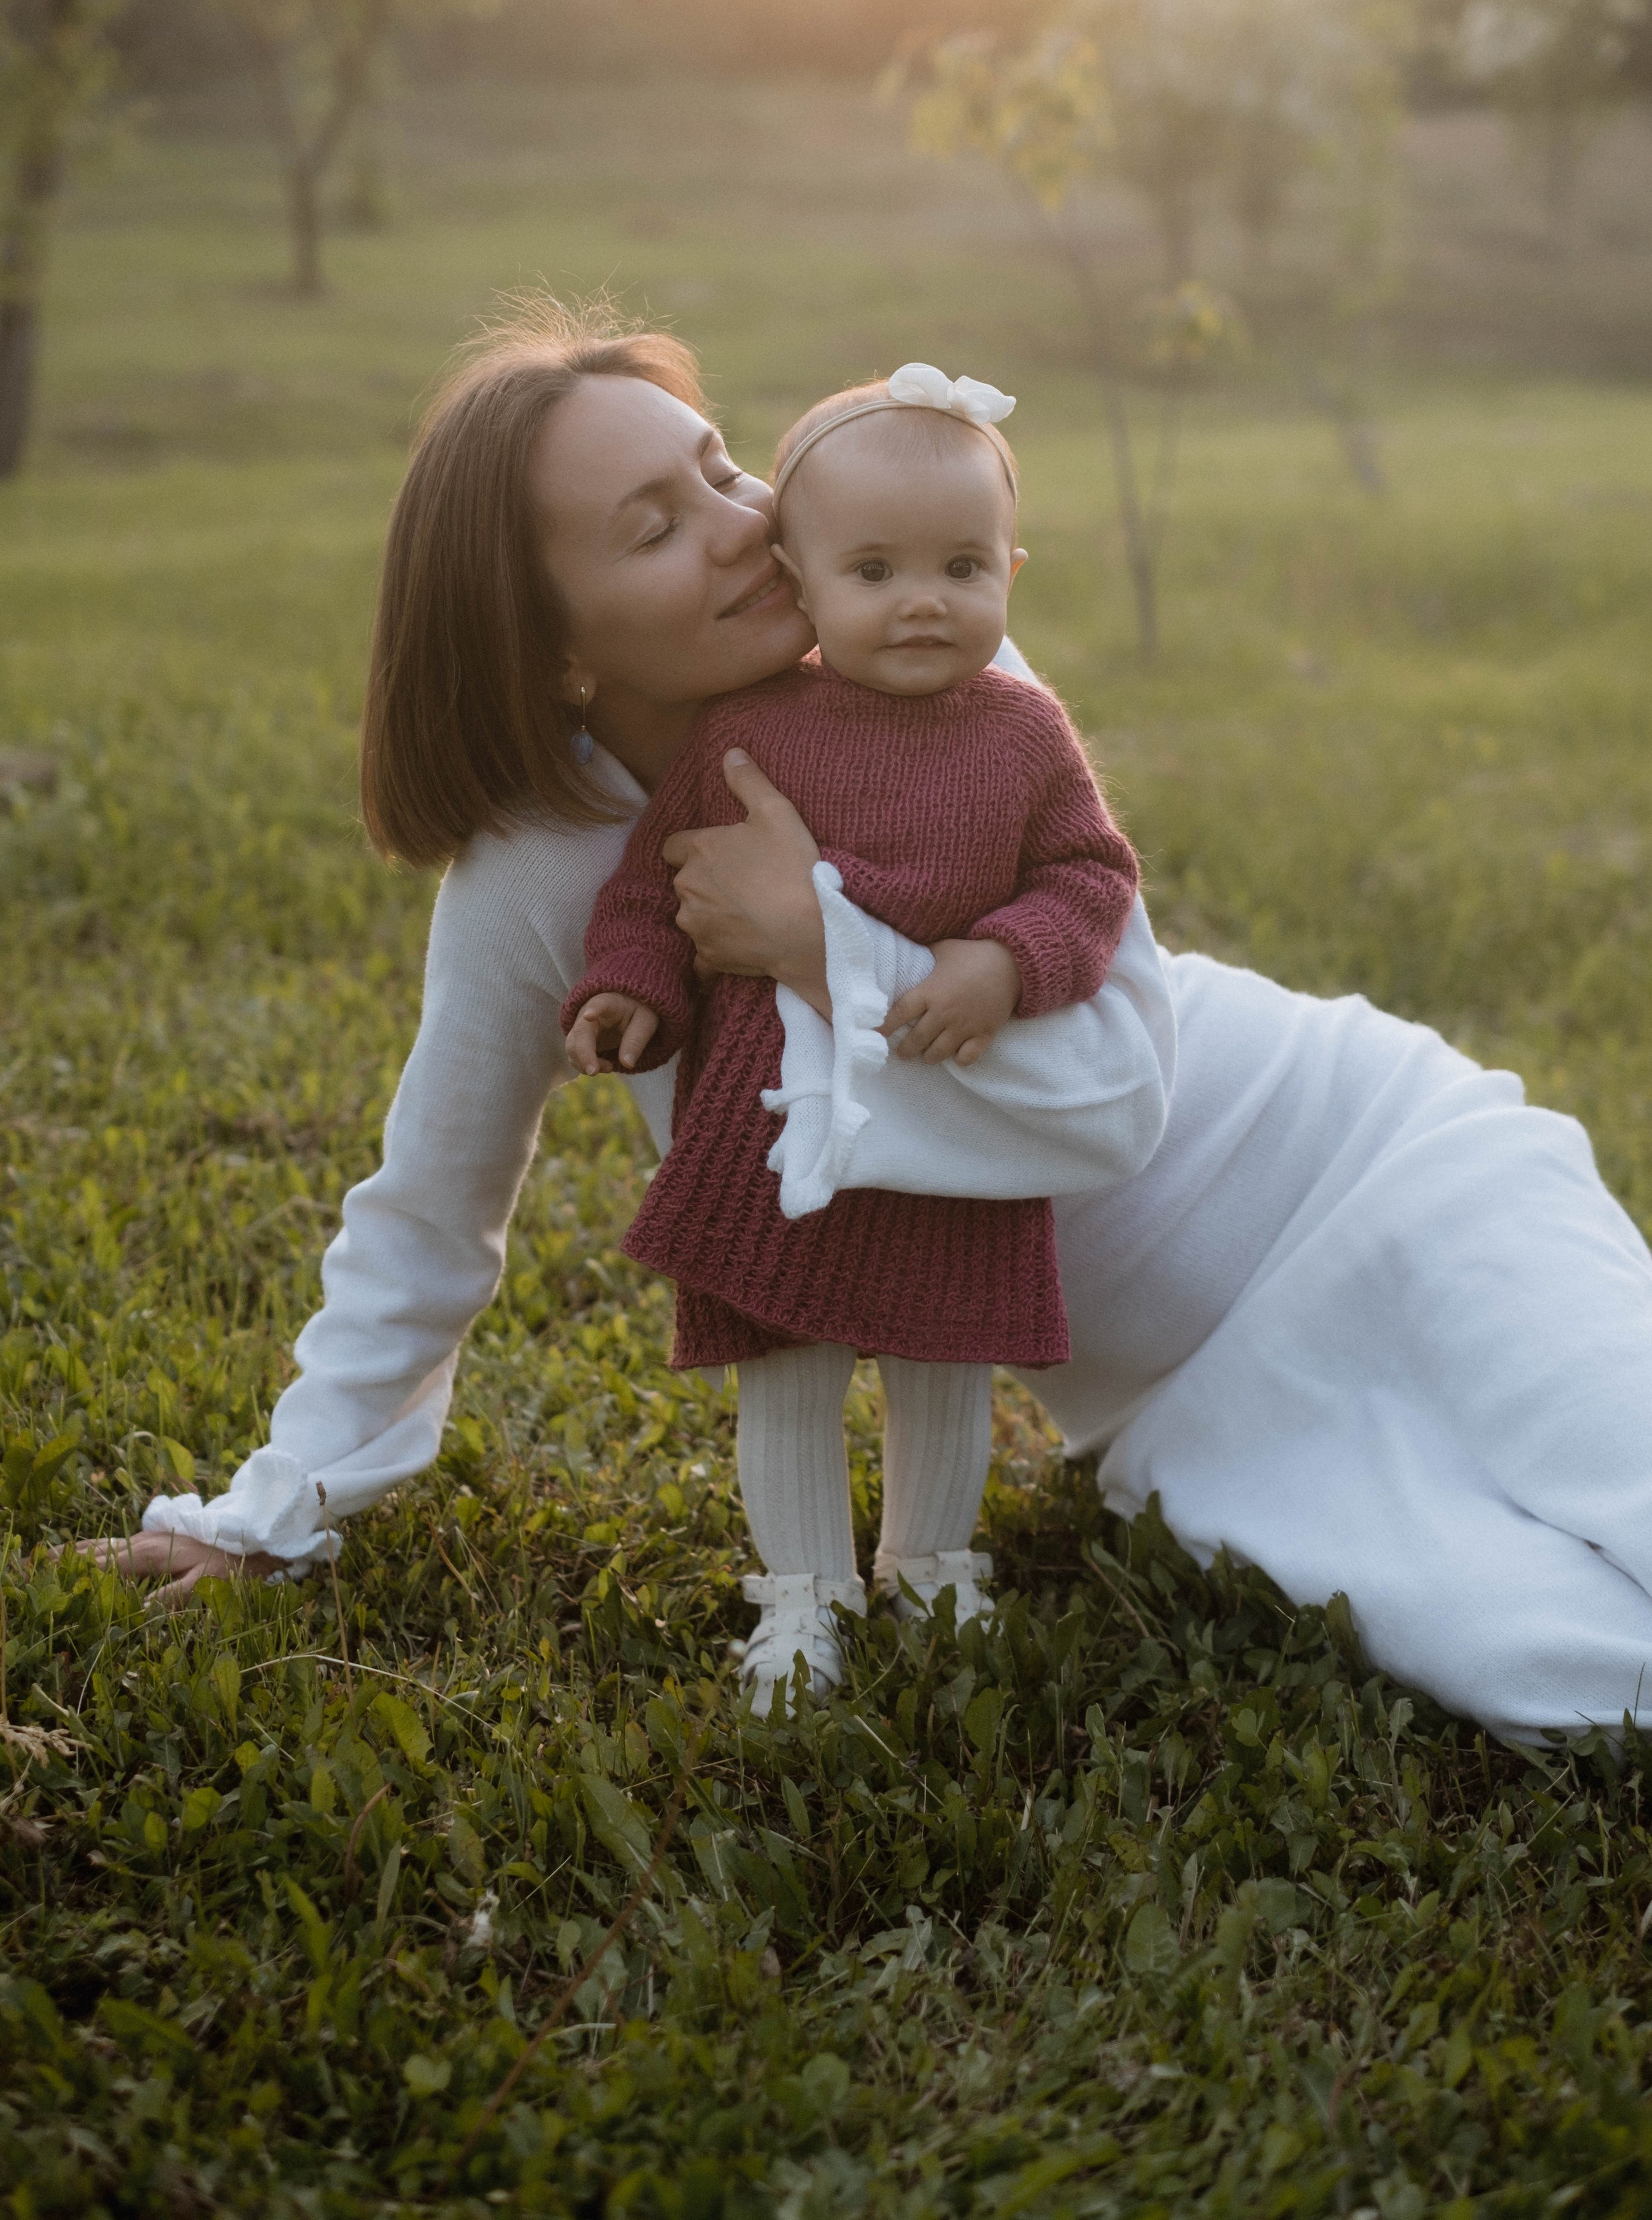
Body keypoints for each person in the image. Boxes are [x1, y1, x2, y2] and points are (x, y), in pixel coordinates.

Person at [101, 307, 1652, 1755]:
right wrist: (268, 1507)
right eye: (654, 526)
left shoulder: (940, 665)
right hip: (1174, 1401)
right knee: (1560, 1675)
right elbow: (427, 1219)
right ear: (556, 651)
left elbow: (1116, 1092)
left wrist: (807, 941)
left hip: (1374, 1167)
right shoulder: (540, 870)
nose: (739, 519)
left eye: (717, 466)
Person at [563, 363, 1138, 1709]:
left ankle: (931, 1567)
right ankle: (802, 1595)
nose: (921, 600)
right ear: (801, 586)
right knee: (785, 1362)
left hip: (949, 1104)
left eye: (959, 565)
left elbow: (1088, 881)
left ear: (1009, 568)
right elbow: (654, 880)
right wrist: (630, 986)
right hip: (777, 1116)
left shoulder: (1020, 733)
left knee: (943, 1353)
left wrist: (1005, 959)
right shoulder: (750, 731)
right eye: (872, 570)